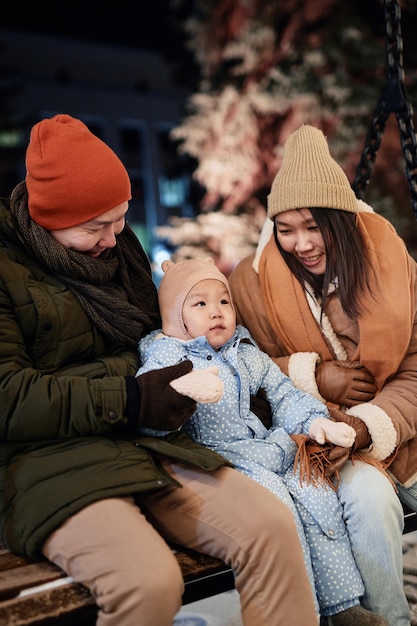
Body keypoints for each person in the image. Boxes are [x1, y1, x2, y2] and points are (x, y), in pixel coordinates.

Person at [0, 113, 321, 626]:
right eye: (93, 227)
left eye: (120, 217)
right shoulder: (7, 269)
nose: (113, 237)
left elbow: (163, 340)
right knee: (148, 582)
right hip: (52, 459)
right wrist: (131, 398)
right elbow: (9, 397)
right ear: (46, 218)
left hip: (150, 442)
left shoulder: (120, 252)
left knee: (271, 526)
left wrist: (249, 388)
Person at [229, 123, 415, 626]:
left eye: (314, 226)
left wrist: (366, 425)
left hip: (405, 434)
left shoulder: (390, 262)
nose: (301, 244)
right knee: (367, 498)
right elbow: (241, 372)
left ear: (341, 220)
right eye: (285, 229)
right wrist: (312, 376)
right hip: (318, 440)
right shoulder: (252, 283)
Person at [136, 256, 389, 626]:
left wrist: (318, 422)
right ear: (177, 318)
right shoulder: (168, 354)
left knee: (313, 490)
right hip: (218, 460)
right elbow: (150, 408)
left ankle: (342, 605)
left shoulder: (244, 352)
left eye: (224, 301)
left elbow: (283, 392)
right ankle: (306, 614)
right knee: (278, 505)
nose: (217, 312)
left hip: (266, 448)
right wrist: (181, 389)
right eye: (200, 304)